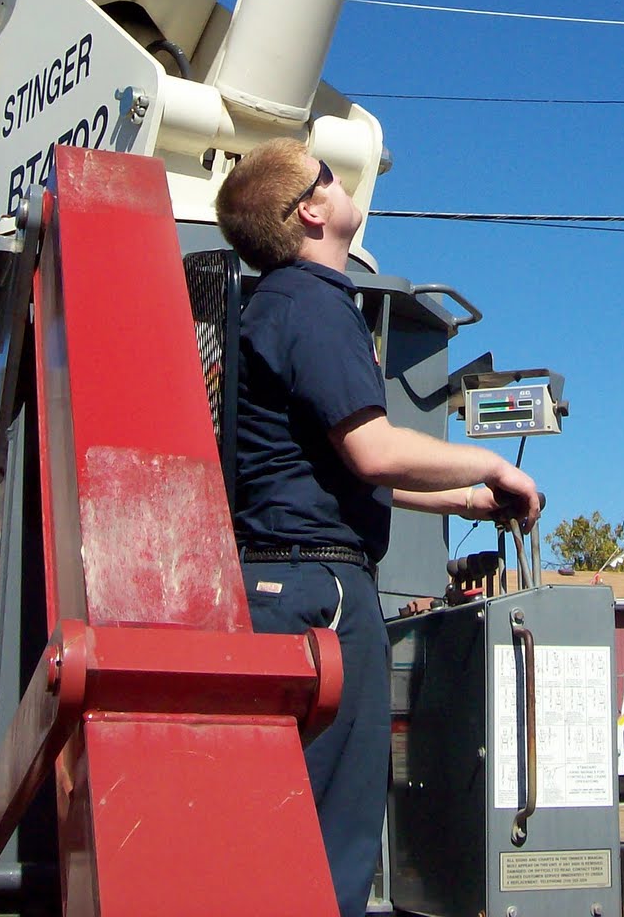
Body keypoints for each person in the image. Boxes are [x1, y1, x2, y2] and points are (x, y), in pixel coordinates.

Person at [215, 138, 540, 917]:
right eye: (328, 176)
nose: (342, 183)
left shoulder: (274, 306)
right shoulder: (313, 302)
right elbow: (372, 450)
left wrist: (461, 501)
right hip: (319, 592)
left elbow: (326, 471)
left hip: (281, 581)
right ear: (311, 211)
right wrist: (492, 465)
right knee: (332, 836)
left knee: (286, 825)